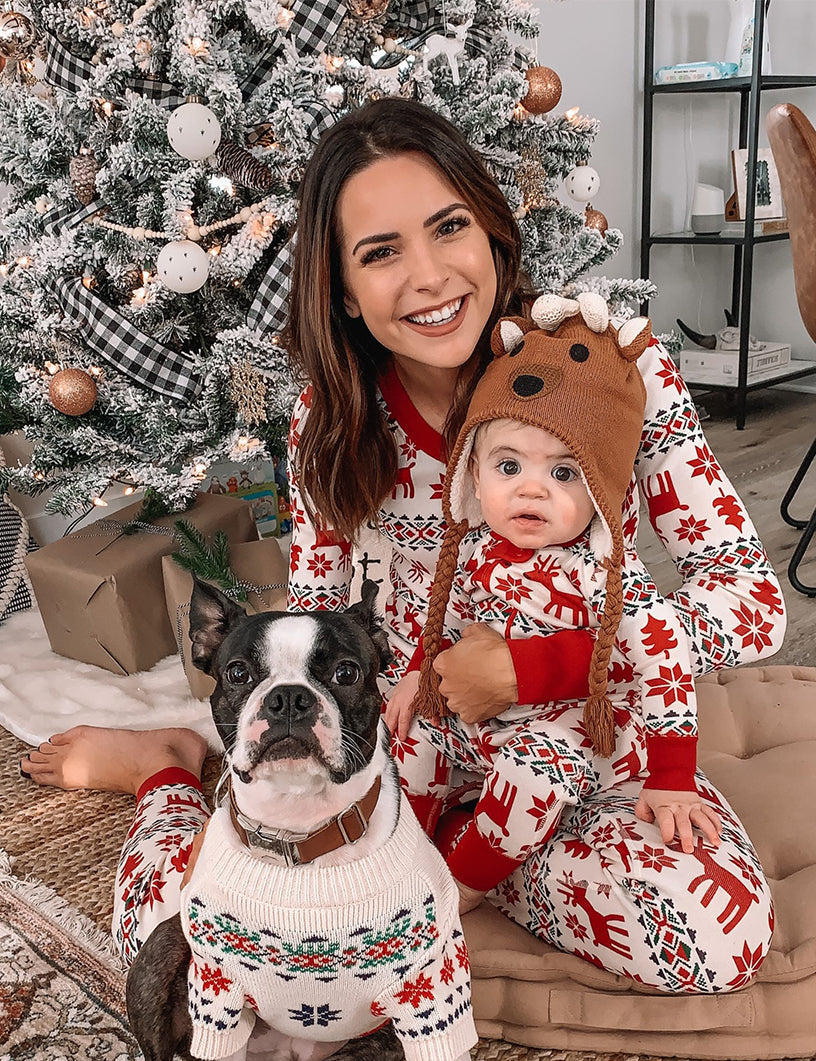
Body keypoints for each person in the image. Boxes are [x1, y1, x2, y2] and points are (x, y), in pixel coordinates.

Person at [20, 98, 785, 995]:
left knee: (712, 936)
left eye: (448, 227)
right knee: (184, 950)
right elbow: (314, 623)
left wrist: (534, 667)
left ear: (494, 234)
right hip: (397, 750)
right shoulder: (332, 417)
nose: (427, 276)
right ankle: (170, 771)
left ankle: (440, 884)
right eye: (380, 252)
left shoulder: (612, 369)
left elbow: (751, 607)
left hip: (580, 750)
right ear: (343, 287)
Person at [383, 295, 723, 931]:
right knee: (412, 729)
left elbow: (666, 661)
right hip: (487, 714)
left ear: (600, 488)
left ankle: (466, 882)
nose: (531, 488)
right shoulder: (475, 549)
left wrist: (674, 777)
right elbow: (448, 625)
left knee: (532, 773)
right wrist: (419, 672)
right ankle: (405, 846)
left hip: (579, 735)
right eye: (509, 466)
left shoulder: (602, 577)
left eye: (565, 473)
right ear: (473, 475)